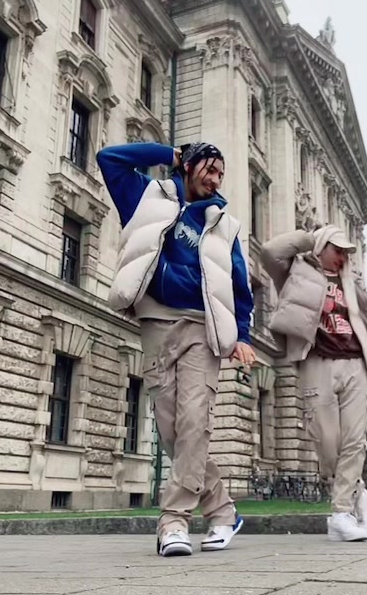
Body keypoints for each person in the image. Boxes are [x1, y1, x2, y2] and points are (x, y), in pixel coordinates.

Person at [97, 140, 255, 557]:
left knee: (193, 421)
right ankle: (222, 510)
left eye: (221, 174)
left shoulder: (224, 225)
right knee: (172, 430)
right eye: (210, 169)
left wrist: (242, 335)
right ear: (189, 165)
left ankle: (174, 522)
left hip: (203, 326)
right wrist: (168, 155)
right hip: (156, 322)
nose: (216, 179)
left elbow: (240, 287)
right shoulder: (147, 197)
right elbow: (109, 159)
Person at [261, 224, 367, 542]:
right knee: (325, 438)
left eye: (347, 252)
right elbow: (269, 252)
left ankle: (341, 513)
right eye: (338, 249)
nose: (343, 257)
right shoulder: (295, 272)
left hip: (355, 366)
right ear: (322, 247)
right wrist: (311, 238)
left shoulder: (351, 283)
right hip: (316, 362)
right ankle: (359, 494)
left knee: (355, 440)